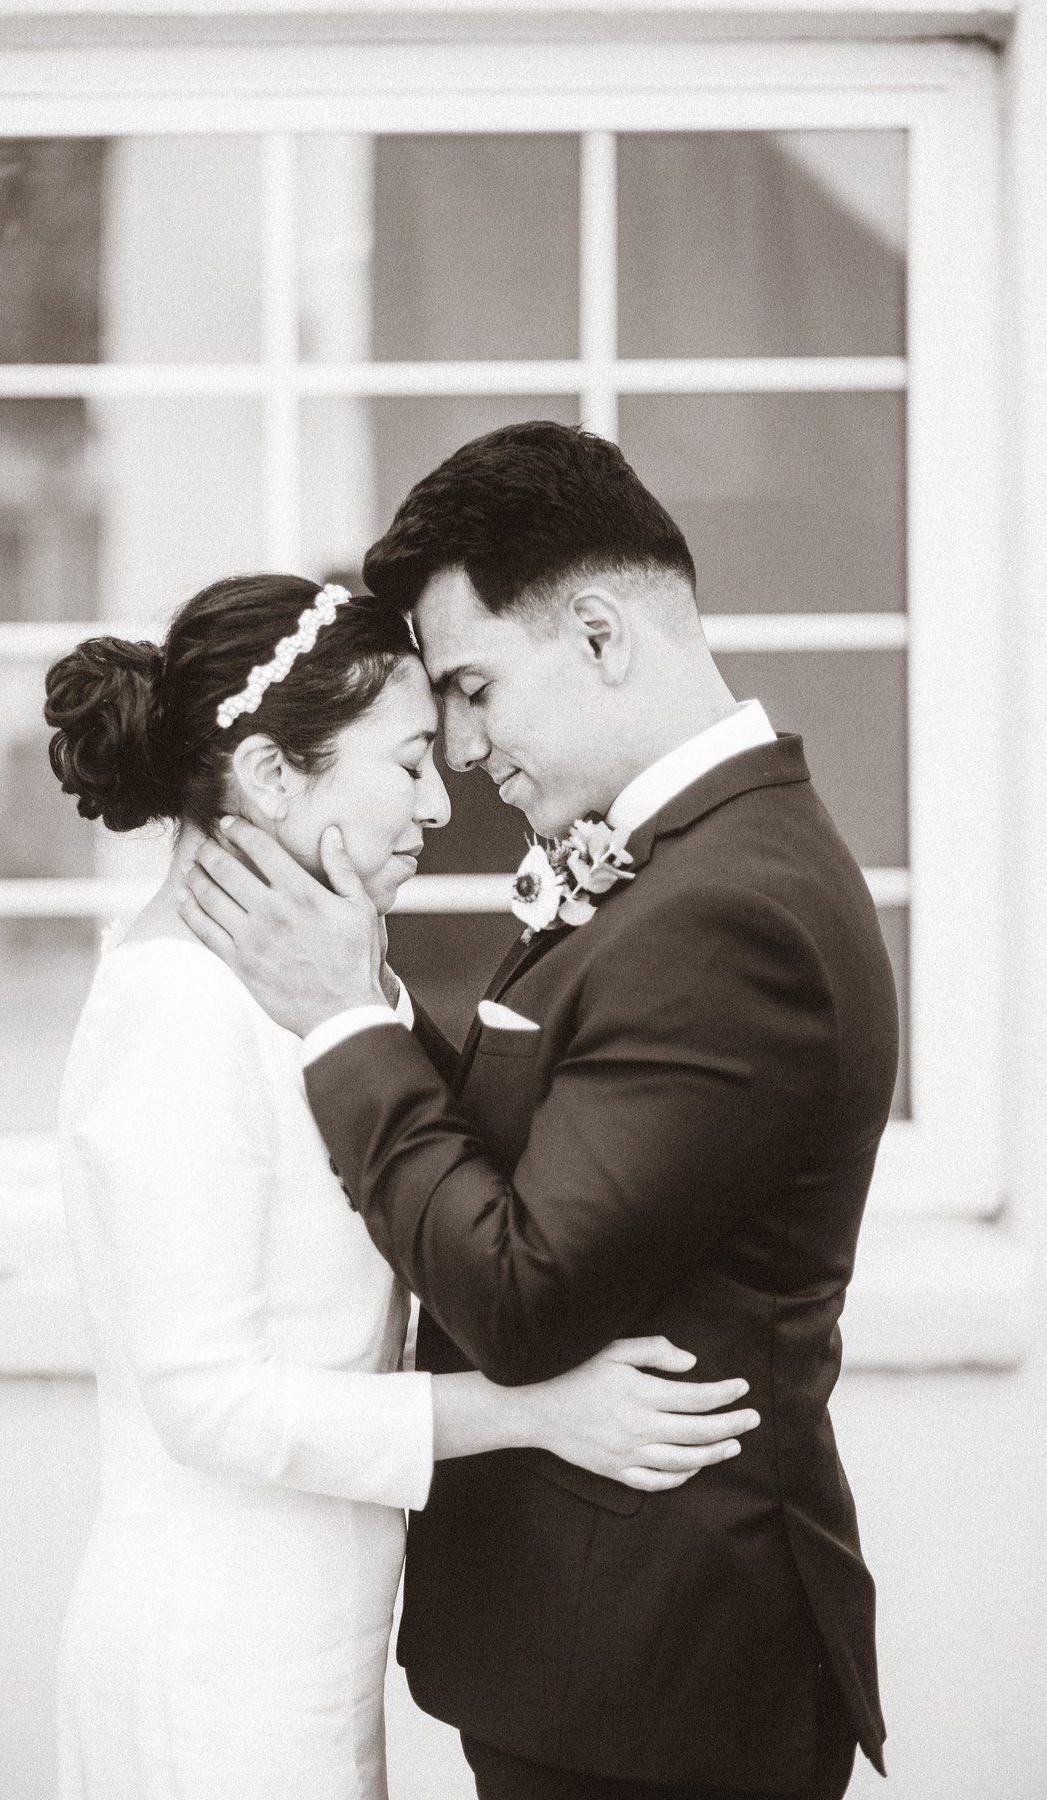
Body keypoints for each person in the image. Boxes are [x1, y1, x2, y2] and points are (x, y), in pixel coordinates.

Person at [180, 425, 902, 1800]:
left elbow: (520, 1290)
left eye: (470, 687)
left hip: (655, 1675)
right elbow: (535, 1151)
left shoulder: (728, 910)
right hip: (599, 1657)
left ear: (597, 631)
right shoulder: (683, 868)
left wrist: (339, 1021)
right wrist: (374, 1010)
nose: (458, 746)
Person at [45, 572, 758, 1800]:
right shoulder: (177, 1011)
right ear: (273, 777)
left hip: (314, 1647)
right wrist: (532, 1410)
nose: (442, 799)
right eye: (411, 760)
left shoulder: (327, 984)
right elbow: (206, 1402)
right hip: (212, 1670)